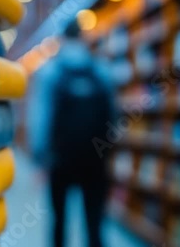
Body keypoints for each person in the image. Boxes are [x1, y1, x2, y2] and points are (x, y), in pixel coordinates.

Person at [27, 20, 117, 247]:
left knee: (59, 221)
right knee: (95, 222)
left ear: (63, 38)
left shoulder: (50, 71)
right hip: (96, 158)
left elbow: (41, 118)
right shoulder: (101, 70)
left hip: (61, 160)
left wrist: (39, 158)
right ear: (83, 37)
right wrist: (109, 151)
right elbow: (115, 116)